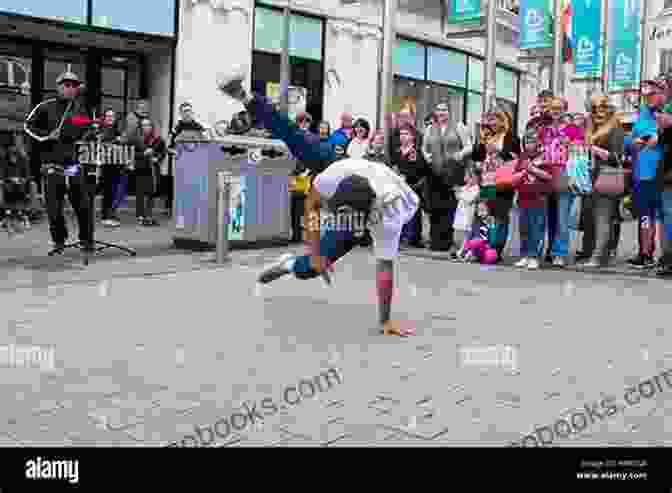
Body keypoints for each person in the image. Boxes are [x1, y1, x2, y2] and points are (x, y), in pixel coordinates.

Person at [217, 68, 418, 337]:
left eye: (342, 216)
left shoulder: (391, 218)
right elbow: (312, 204)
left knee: (314, 267)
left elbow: (385, 269)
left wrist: (385, 322)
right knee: (292, 134)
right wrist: (314, 248)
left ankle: (289, 264)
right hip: (340, 165)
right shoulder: (332, 178)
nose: (334, 216)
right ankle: (243, 95)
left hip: (378, 197)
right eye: (335, 210)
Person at [24, 67, 94, 252]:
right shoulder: (45, 106)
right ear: (59, 87)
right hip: (52, 165)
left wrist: (89, 132)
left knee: (82, 205)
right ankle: (59, 241)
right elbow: (27, 126)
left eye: (74, 86)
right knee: (53, 208)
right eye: (67, 85)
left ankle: (87, 240)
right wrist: (47, 135)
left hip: (71, 164)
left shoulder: (78, 109)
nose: (71, 89)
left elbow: (85, 131)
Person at [579, 95, 626, 268]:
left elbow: (617, 158)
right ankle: (597, 254)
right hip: (590, 178)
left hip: (607, 177)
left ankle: (597, 257)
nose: (599, 112)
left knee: (603, 218)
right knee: (593, 218)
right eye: (594, 108)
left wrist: (595, 149)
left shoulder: (615, 129)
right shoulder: (591, 130)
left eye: (603, 108)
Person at [422, 102, 473, 252]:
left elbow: (469, 146)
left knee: (449, 207)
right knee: (435, 208)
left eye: (444, 110)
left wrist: (461, 154)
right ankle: (435, 240)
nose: (441, 112)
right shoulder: (430, 128)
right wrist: (426, 156)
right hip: (434, 173)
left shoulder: (458, 126)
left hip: (453, 172)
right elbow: (424, 147)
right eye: (438, 110)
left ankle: (447, 241)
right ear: (436, 113)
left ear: (449, 112)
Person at [627, 79, 666, 269]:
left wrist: (656, 138)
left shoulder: (666, 113)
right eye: (646, 95)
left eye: (653, 94)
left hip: (662, 174)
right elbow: (631, 139)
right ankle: (645, 253)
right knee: (645, 216)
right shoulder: (642, 113)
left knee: (664, 217)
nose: (649, 98)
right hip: (642, 174)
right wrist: (633, 142)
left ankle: (665, 255)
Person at [472, 107, 521, 261]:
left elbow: (516, 159)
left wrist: (499, 152)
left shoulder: (511, 138)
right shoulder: (486, 136)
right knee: (484, 214)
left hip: (503, 182)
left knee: (500, 214)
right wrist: (480, 144)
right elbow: (476, 156)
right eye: (489, 119)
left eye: (495, 119)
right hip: (487, 181)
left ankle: (496, 249)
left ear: (502, 121)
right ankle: (481, 247)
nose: (491, 122)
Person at [549, 112, 588, 266]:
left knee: (562, 218)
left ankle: (559, 252)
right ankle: (552, 251)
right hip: (551, 177)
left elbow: (580, 162)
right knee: (555, 217)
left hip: (566, 179)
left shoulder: (576, 144)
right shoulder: (554, 139)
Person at [512, 129, 554, 270]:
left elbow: (549, 176)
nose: (530, 144)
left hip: (539, 198)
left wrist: (532, 169)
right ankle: (525, 255)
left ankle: (534, 256)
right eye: (527, 141)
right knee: (524, 228)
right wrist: (521, 173)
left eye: (532, 141)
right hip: (523, 197)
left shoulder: (544, 156)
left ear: (538, 142)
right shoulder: (522, 157)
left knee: (537, 228)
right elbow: (516, 176)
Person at [393, 124, 427, 248]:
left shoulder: (416, 151)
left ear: (412, 136)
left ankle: (414, 237)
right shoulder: (397, 151)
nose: (403, 136)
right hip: (399, 187)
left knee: (414, 213)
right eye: (401, 134)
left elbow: (422, 170)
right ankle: (400, 236)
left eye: (406, 134)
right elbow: (394, 167)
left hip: (413, 186)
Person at [132, 118, 167, 226]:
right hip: (140, 168)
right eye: (143, 125)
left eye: (147, 125)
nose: (145, 127)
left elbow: (163, 152)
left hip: (152, 169)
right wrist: (144, 154)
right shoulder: (137, 139)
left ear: (151, 126)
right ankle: (140, 215)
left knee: (151, 192)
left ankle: (148, 214)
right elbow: (132, 153)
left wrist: (157, 158)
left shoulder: (158, 139)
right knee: (140, 192)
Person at [95, 109, 124, 227]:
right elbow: (99, 144)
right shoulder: (101, 129)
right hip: (104, 164)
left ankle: (110, 214)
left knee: (113, 190)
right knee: (107, 190)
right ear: (104, 118)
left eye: (112, 116)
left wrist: (119, 142)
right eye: (108, 116)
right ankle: (105, 216)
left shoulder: (117, 129)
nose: (110, 118)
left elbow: (122, 144)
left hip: (116, 163)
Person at [453, 169, 480, 259]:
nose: (465, 177)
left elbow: (470, 199)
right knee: (462, 233)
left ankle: (463, 251)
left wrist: (460, 194)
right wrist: (458, 192)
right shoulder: (464, 187)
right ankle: (463, 250)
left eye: (468, 176)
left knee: (468, 233)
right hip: (461, 212)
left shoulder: (476, 188)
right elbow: (457, 197)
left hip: (469, 213)